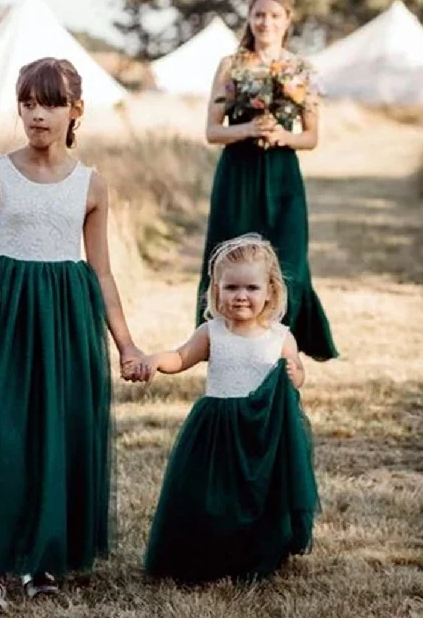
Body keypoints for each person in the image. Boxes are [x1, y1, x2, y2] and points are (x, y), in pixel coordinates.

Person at [0, 57, 148, 616]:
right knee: (0, 432)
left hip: (67, 320)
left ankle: (43, 560)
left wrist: (126, 343)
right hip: (7, 319)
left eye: (51, 103)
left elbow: (102, 271)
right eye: (28, 102)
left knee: (57, 434)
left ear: (75, 111)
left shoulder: (91, 184)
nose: (37, 114)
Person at [135, 234, 319, 583]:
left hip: (262, 430)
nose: (241, 296)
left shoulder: (280, 337)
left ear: (270, 291)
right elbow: (181, 357)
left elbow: (296, 373)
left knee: (259, 492)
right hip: (217, 428)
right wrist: (157, 360)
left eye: (251, 287)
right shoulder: (212, 332)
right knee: (212, 493)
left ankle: (255, 553)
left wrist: (296, 373)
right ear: (216, 289)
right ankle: (211, 552)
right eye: (231, 287)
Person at [196, 0, 338, 361]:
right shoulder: (231, 65)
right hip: (237, 175)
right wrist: (246, 129)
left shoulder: (300, 70)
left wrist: (280, 136)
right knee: (228, 256)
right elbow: (212, 131)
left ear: (288, 19)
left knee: (289, 260)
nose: (266, 22)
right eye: (259, 14)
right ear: (249, 17)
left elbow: (310, 137)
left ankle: (281, 352)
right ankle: (223, 348)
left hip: (282, 175)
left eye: (274, 15)